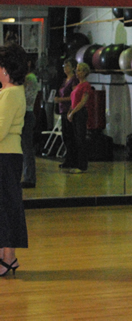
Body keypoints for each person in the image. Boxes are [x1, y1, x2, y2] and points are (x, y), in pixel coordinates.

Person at [0, 44, 29, 277]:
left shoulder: (11, 93)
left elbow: (0, 130)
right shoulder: (8, 92)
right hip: (6, 156)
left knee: (7, 207)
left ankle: (8, 257)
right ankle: (5, 255)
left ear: (6, 69)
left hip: (6, 157)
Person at [53, 57, 79, 170]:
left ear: (73, 67)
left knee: (70, 135)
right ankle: (68, 159)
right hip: (62, 109)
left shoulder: (74, 80)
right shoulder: (64, 80)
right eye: (64, 66)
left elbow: (74, 97)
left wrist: (61, 100)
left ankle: (73, 160)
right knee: (65, 135)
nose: (65, 68)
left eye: (67, 66)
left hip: (69, 109)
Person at [67, 62, 92, 174]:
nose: (77, 73)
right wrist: (70, 111)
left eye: (80, 70)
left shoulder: (86, 85)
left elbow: (83, 101)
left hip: (80, 113)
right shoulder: (77, 85)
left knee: (81, 139)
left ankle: (82, 165)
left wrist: (73, 112)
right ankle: (76, 163)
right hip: (75, 112)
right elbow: (73, 101)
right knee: (76, 139)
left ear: (85, 72)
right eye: (77, 70)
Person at [20, 54, 40, 188]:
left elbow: (24, 96)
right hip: (26, 113)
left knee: (27, 148)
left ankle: (30, 177)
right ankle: (27, 175)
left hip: (27, 113)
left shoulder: (30, 78)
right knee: (25, 147)